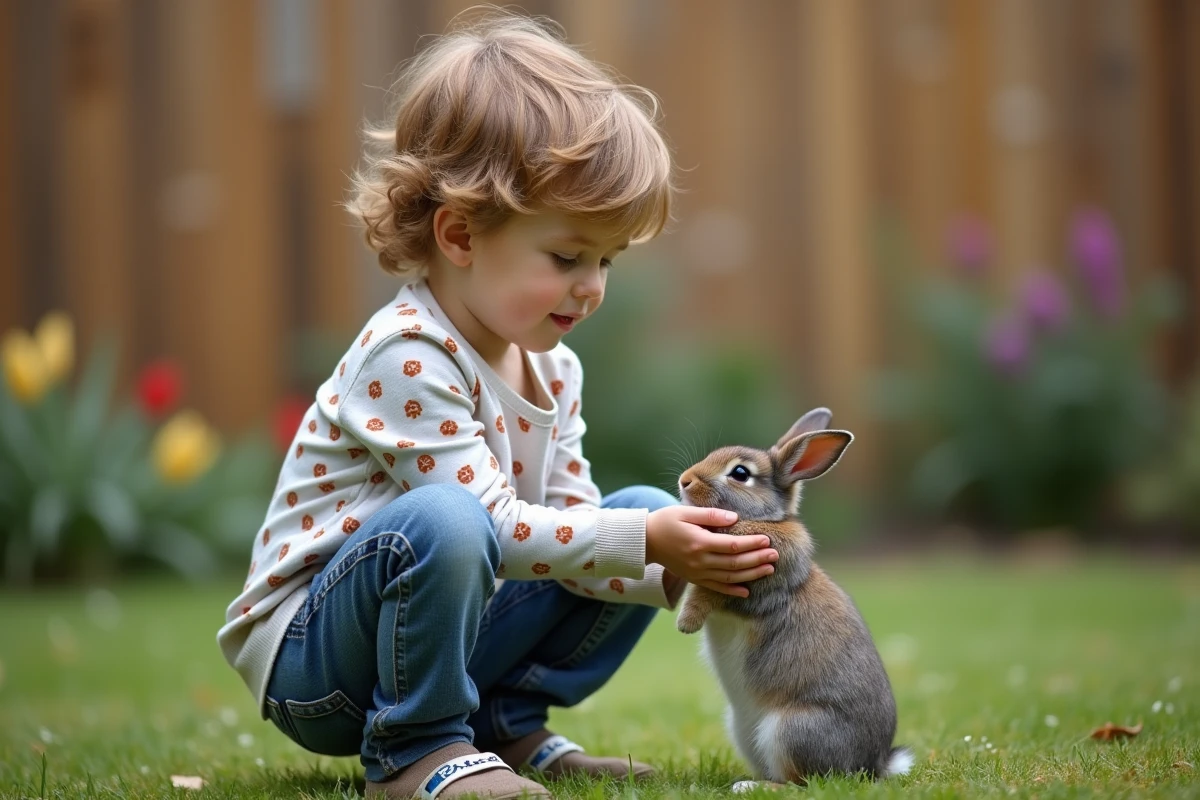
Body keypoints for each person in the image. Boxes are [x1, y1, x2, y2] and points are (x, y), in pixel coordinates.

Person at [217, 8, 779, 799]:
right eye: (566, 256)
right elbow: (495, 528)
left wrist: (686, 564)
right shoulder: (408, 354)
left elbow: (574, 536)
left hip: (439, 634)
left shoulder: (553, 369)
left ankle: (505, 728)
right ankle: (412, 750)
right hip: (318, 662)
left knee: (635, 517)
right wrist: (647, 544)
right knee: (453, 518)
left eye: (607, 260)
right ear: (458, 235)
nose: (592, 287)